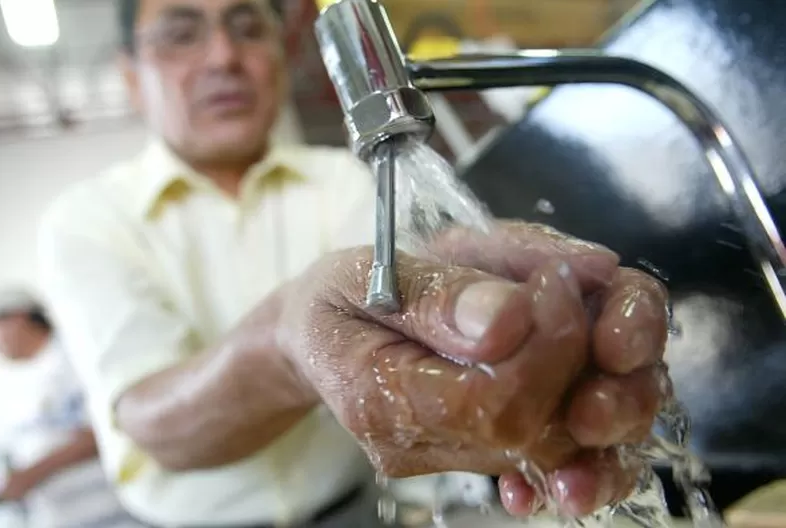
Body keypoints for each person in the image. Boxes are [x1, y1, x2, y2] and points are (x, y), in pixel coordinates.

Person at [37, 0, 670, 526]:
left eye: (249, 27)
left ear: (282, 60)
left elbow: (412, 283)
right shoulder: (89, 221)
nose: (224, 57)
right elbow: (151, 421)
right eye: (182, 34)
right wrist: (287, 342)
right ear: (130, 75)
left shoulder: (344, 180)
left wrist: (512, 316)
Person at [0, 288, 145, 527]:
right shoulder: (23, 379)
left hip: (108, 510)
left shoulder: (76, 355)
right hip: (61, 514)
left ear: (18, 318)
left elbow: (106, 428)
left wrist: (32, 474)